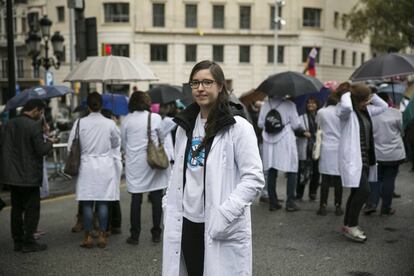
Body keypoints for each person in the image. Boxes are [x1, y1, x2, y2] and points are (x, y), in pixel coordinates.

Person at [162, 60, 264, 276]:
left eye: (207, 82)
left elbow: (253, 178)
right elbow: (179, 171)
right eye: (195, 83)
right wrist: (168, 203)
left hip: (219, 221)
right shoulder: (184, 127)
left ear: (220, 86)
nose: (200, 88)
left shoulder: (238, 128)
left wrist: (225, 214)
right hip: (187, 221)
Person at [67, 92, 121, 249]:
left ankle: (88, 237)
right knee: (103, 202)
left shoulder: (79, 123)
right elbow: (116, 143)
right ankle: (103, 235)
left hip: (86, 165)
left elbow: (71, 146)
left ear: (88, 106)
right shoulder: (110, 124)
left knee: (87, 203)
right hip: (105, 165)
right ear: (101, 105)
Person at [1, 99, 54, 252]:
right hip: (29, 176)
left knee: (16, 209)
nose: (41, 115)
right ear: (36, 110)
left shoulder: (9, 124)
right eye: (41, 112)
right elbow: (41, 150)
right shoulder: (34, 126)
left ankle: (17, 241)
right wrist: (49, 141)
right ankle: (29, 242)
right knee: (32, 209)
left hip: (12, 176)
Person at [336, 83, 387, 242]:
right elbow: (346, 107)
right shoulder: (346, 113)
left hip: (365, 160)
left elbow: (384, 106)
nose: (367, 103)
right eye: (364, 100)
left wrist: (372, 93)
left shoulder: (366, 111)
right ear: (356, 100)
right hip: (353, 160)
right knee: (364, 191)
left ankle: (348, 225)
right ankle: (352, 225)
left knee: (356, 192)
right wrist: (347, 93)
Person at [121, 91, 169, 245]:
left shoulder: (126, 120)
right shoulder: (155, 118)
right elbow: (161, 137)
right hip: (152, 161)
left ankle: (135, 235)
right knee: (156, 198)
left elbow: (123, 142)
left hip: (135, 164)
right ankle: (156, 233)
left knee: (136, 199)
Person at [258, 95, 305, 212]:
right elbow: (296, 125)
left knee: (271, 170)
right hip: (286, 140)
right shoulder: (290, 104)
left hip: (269, 139)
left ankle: (273, 202)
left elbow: (260, 124)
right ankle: (290, 202)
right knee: (291, 169)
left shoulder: (265, 105)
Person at [363, 93, 406, 216]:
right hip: (394, 153)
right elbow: (401, 130)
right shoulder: (396, 113)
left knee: (375, 179)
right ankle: (386, 208)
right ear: (387, 100)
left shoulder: (370, 113)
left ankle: (372, 203)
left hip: (376, 153)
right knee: (389, 180)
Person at [315, 94, 343, 216]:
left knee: (325, 179)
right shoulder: (342, 112)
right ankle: (338, 206)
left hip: (326, 147)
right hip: (339, 147)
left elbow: (318, 125)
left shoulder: (322, 112)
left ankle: (323, 206)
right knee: (338, 179)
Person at [101, 109, 123, 234]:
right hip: (115, 163)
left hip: (111, 163)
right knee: (114, 194)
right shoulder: (113, 127)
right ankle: (115, 224)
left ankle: (110, 225)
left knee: (109, 195)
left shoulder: (110, 128)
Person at [296, 97, 321, 201]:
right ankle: (299, 193)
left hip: (317, 148)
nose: (311, 105)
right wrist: (303, 133)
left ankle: (313, 193)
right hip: (305, 148)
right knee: (303, 171)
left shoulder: (320, 117)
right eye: (309, 103)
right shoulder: (302, 117)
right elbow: (296, 129)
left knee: (316, 171)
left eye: (313, 103)